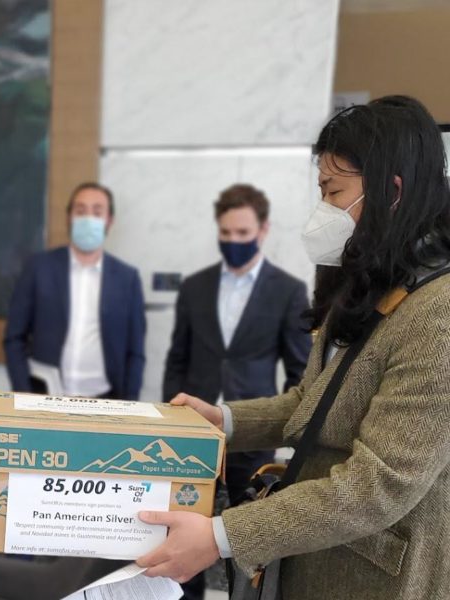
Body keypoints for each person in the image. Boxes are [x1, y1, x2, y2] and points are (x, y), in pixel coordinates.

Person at [137, 95, 450, 599]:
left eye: (333, 191)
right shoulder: (367, 289)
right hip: (312, 555)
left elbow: (381, 485)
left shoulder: (438, 312)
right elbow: (313, 402)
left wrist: (222, 535)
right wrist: (225, 421)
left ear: (392, 193)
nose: (323, 210)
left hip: (374, 578)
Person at [161, 183, 311, 600]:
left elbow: (302, 375)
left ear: (262, 231)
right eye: (225, 235)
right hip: (192, 437)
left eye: (242, 235)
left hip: (252, 438)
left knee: (245, 545)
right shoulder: (195, 288)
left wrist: (287, 435)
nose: (233, 243)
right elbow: (178, 358)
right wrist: (171, 420)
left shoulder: (288, 291)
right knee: (181, 533)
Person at [3, 182, 146, 400]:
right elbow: (14, 338)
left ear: (109, 220)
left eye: (97, 211)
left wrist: (129, 406)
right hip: (45, 398)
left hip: (106, 400)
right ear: (69, 217)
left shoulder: (128, 278)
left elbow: (135, 352)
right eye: (80, 211)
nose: (88, 218)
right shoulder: (38, 268)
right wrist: (24, 394)